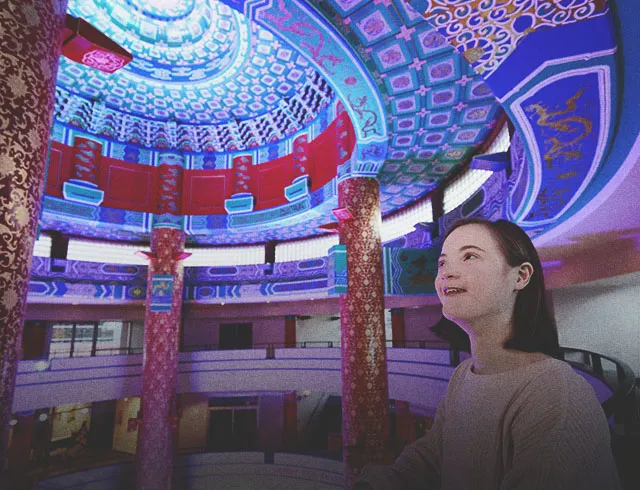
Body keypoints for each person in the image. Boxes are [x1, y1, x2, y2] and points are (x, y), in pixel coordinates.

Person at [355, 218, 621, 489]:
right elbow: (435, 454)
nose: (446, 273)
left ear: (520, 276)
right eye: (443, 263)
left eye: (469, 256)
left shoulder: (555, 392)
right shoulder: (464, 375)